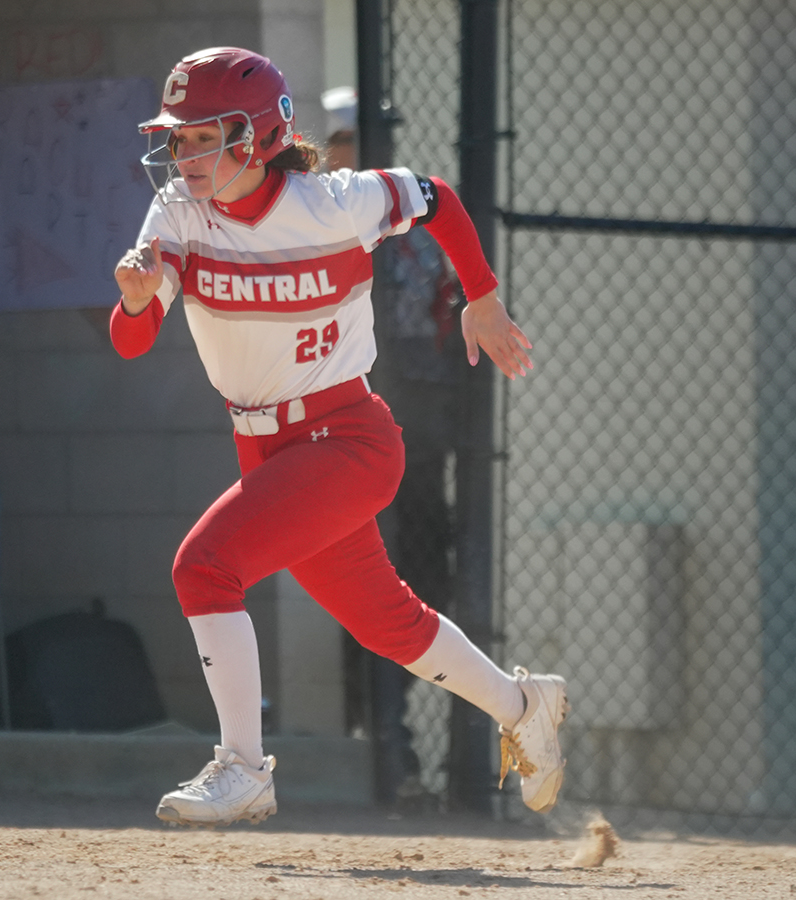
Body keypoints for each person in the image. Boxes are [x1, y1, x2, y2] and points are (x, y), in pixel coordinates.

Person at [112, 48, 569, 827]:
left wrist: (482, 298)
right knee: (387, 621)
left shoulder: (334, 200)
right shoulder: (179, 213)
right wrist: (133, 299)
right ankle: (525, 705)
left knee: (205, 568)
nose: (183, 154)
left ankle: (244, 767)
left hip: (346, 439)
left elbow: (436, 198)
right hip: (265, 449)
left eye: (201, 137)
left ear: (253, 137)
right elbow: (132, 341)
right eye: (177, 138)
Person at [324, 85, 463, 806]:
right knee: (357, 588)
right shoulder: (316, 213)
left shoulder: (406, 220)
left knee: (422, 586)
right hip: (344, 437)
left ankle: (405, 751)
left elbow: (430, 330)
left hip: (416, 444)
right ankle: (383, 751)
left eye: (371, 137)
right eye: (346, 138)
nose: (357, 151)